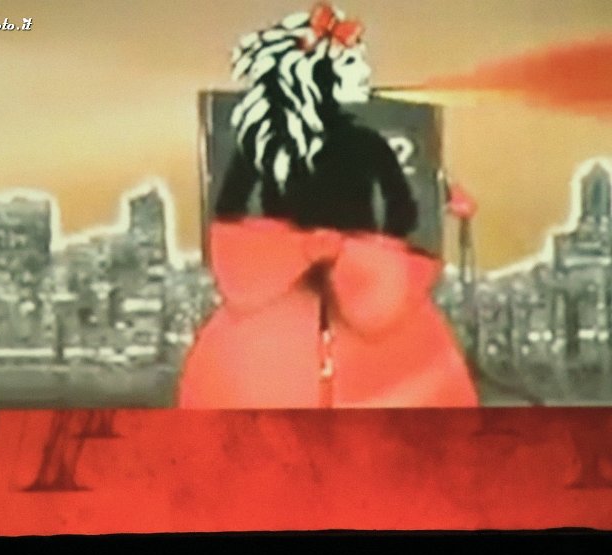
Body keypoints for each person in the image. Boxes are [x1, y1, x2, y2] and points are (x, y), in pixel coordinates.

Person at [177, 3, 479, 409]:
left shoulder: (376, 144)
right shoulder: (256, 148)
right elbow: (233, 221)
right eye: (349, 64)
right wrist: (299, 247)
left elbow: (402, 209)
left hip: (393, 353)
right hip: (260, 357)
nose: (362, 74)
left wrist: (432, 195)